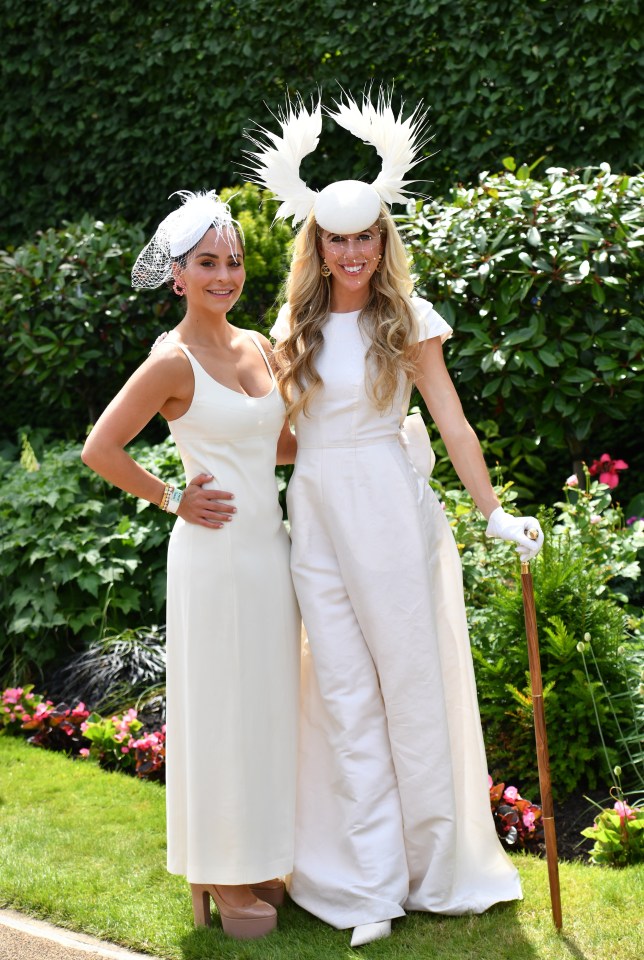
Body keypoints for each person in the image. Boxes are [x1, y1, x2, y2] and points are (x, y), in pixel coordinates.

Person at [244, 91, 544, 947]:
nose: (351, 252)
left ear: (383, 237)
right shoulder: (291, 327)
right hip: (317, 517)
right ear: (317, 242)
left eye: (365, 235)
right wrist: (206, 462)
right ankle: (369, 887)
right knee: (342, 696)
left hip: (388, 509)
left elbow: (449, 420)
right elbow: (284, 442)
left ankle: (435, 868)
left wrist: (493, 514)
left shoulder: (408, 320)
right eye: (336, 238)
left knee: (410, 692)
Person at [81, 190, 300, 940]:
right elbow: (99, 449)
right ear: (176, 274)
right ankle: (217, 869)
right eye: (207, 262)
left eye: (233, 261)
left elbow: (273, 445)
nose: (224, 275)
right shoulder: (169, 361)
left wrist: (364, 438)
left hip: (269, 552)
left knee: (269, 702)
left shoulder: (259, 348)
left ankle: (259, 853)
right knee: (221, 709)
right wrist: (173, 497)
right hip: (212, 556)